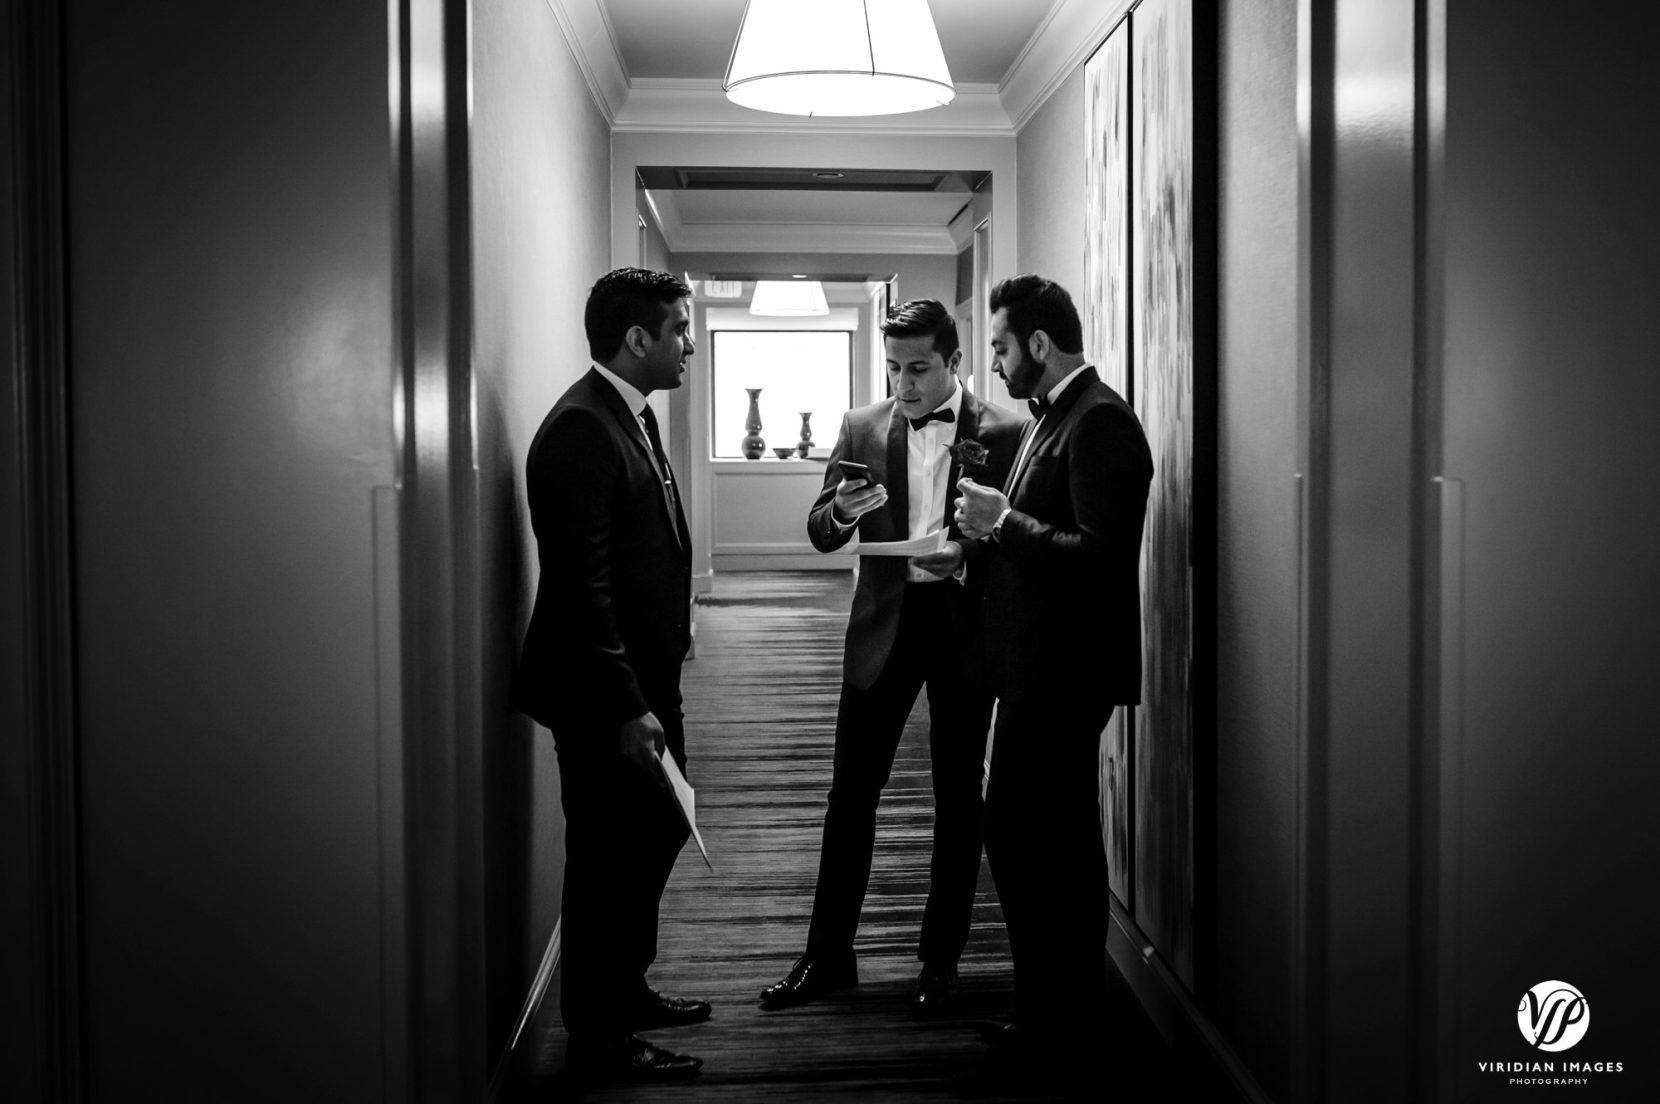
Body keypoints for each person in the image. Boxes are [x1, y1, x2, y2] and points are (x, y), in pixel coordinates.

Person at [759, 299, 1023, 1014]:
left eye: (918, 369)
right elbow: (819, 530)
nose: (903, 386)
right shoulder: (860, 425)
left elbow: (1018, 544)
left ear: (954, 362)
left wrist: (965, 556)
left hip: (963, 624)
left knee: (957, 798)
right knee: (851, 794)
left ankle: (941, 960)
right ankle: (827, 955)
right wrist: (842, 509)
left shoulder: (1008, 429)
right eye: (894, 370)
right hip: (884, 627)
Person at [954, 275, 1152, 1074]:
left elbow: (1102, 561)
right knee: (1038, 838)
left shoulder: (1101, 422)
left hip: (1070, 673)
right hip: (1037, 666)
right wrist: (984, 540)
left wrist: (1005, 522)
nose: (994, 365)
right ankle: (1052, 1011)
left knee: (1049, 845)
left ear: (1038, 344)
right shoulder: (1053, 416)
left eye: (1000, 346)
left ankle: (1063, 1019)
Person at [515, 267, 708, 1082]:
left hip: (644, 682)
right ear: (638, 340)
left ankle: (626, 989)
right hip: (603, 697)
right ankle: (599, 1037)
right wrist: (629, 706)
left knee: (658, 828)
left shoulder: (631, 415)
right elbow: (581, 590)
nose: (688, 343)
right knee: (603, 859)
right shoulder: (580, 432)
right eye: (679, 330)